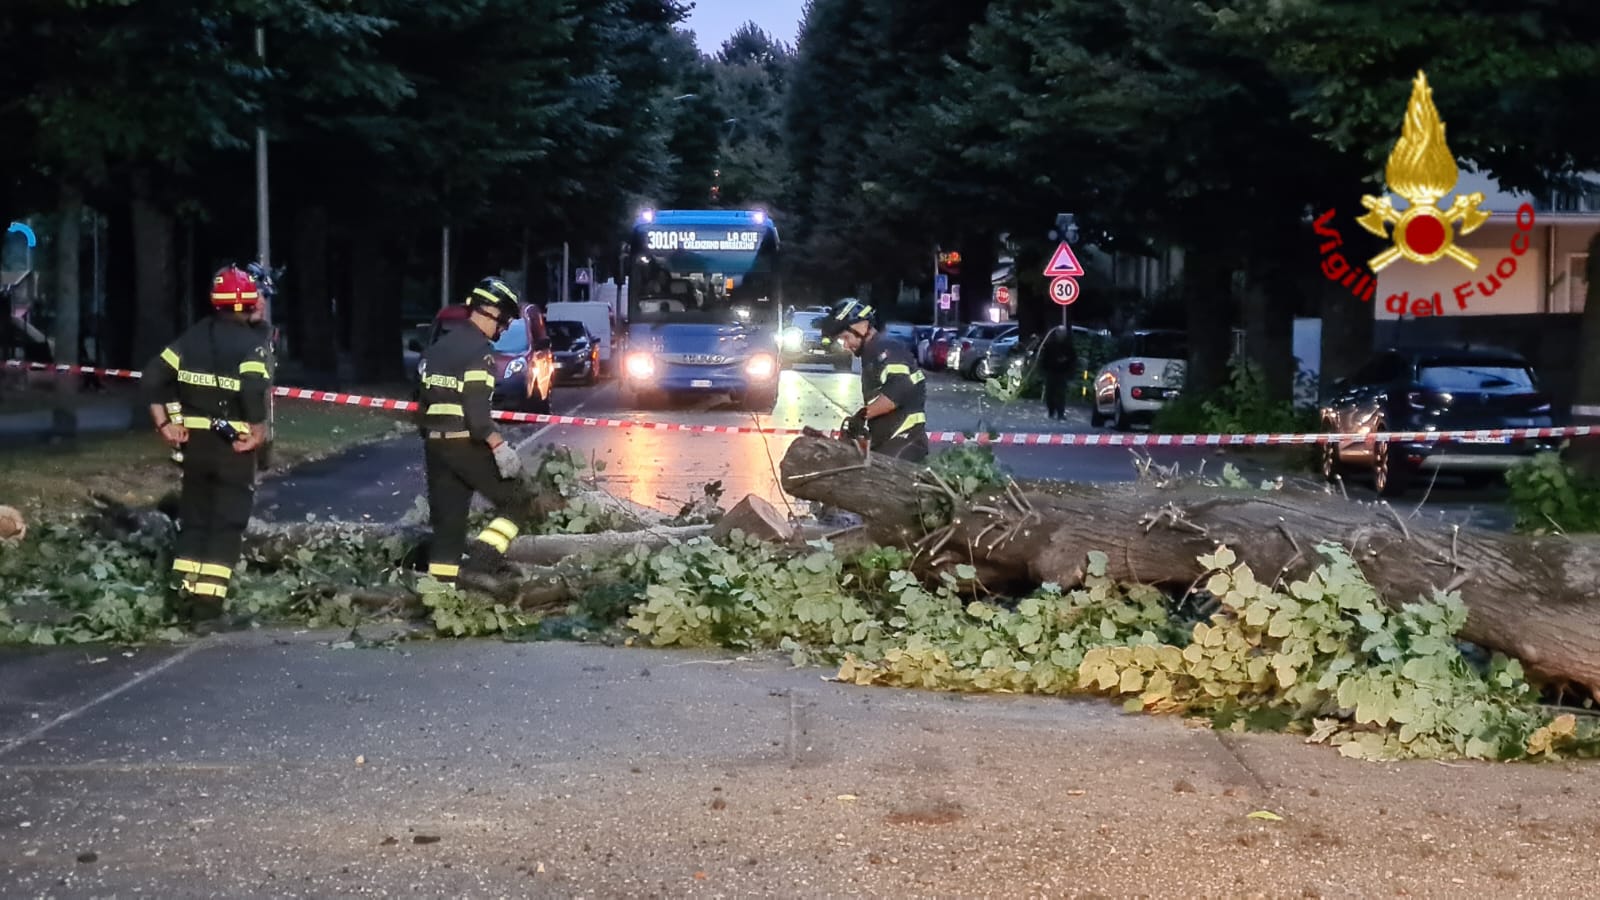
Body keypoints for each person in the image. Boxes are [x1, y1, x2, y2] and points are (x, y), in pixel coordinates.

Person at [142, 264, 274, 625]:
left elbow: (154, 376)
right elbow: (251, 389)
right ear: (247, 301)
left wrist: (166, 423)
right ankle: (207, 610)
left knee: (196, 520)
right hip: (233, 447)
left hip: (195, 446)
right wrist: (258, 430)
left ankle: (180, 603)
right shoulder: (253, 346)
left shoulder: (191, 338)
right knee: (225, 523)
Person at [416, 276, 530, 595]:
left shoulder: (437, 349)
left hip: (435, 446)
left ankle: (439, 595)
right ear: (491, 312)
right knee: (519, 499)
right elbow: (478, 417)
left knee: (448, 528)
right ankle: (482, 562)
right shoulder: (480, 352)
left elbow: (420, 404)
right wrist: (499, 448)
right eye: (505, 320)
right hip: (466, 443)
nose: (504, 328)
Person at [817, 298, 929, 462]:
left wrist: (862, 416)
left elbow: (898, 389)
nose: (846, 346)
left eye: (846, 338)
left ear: (861, 327)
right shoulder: (872, 354)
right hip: (888, 441)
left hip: (905, 441)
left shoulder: (886, 348)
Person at [1039, 325, 1078, 420]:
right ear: (1057, 333)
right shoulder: (1050, 345)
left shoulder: (1068, 345)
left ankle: (1061, 413)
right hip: (1051, 371)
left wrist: (1066, 361)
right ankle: (1051, 411)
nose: (1062, 335)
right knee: (1050, 393)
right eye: (1060, 333)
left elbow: (1073, 357)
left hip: (1062, 372)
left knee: (1061, 393)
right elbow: (1045, 359)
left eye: (1064, 333)